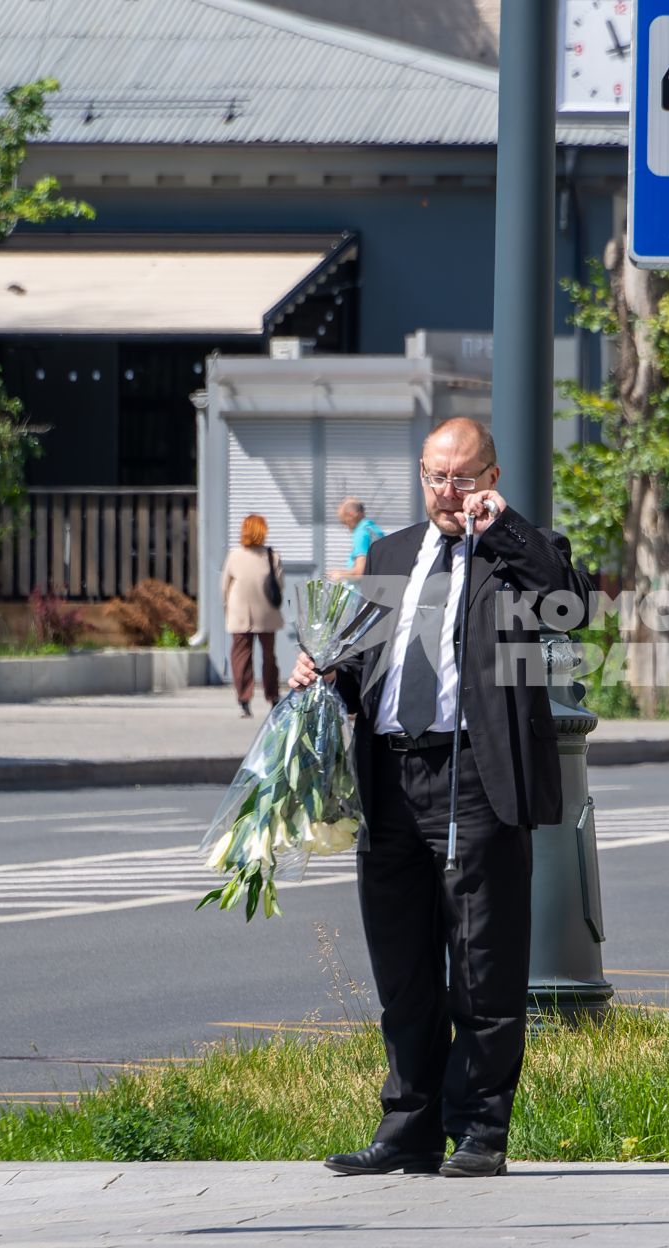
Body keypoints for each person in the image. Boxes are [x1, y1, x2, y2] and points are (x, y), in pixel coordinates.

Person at [290, 417, 594, 1179]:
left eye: (461, 475)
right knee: (404, 967)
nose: (447, 491)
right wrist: (321, 672)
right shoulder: (391, 554)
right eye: (435, 475)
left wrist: (504, 528)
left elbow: (571, 605)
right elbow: (366, 665)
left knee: (484, 964)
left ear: (489, 474)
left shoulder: (520, 554)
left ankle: (482, 1130)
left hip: (475, 779)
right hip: (390, 780)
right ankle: (410, 1125)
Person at [219, 514, 284, 718]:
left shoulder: (234, 555)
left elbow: (224, 587)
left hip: (240, 614)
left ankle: (244, 698)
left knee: (241, 657)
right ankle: (273, 696)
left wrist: (227, 609)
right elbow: (279, 584)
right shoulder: (271, 555)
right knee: (268, 656)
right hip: (267, 614)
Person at [330, 498, 386, 579]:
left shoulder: (361, 533)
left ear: (352, 514)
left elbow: (360, 572)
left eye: (344, 521)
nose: (345, 526)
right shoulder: (374, 530)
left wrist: (340, 574)